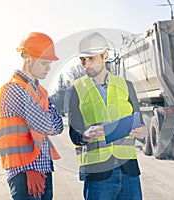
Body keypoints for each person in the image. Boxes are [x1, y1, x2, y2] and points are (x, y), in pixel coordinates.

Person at [68, 32, 147, 200]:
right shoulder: (76, 89)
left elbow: (139, 124)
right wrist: (84, 136)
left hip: (129, 171)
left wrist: (143, 132)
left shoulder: (127, 86)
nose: (86, 64)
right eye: (82, 59)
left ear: (105, 56)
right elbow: (74, 133)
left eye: (91, 59)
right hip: (98, 174)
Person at [0, 32, 63, 200]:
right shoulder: (14, 89)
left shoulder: (40, 91)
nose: (48, 68)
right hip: (25, 175)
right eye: (45, 63)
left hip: (44, 169)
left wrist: (48, 120)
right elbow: (47, 126)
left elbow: (58, 127)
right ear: (29, 59)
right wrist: (28, 169)